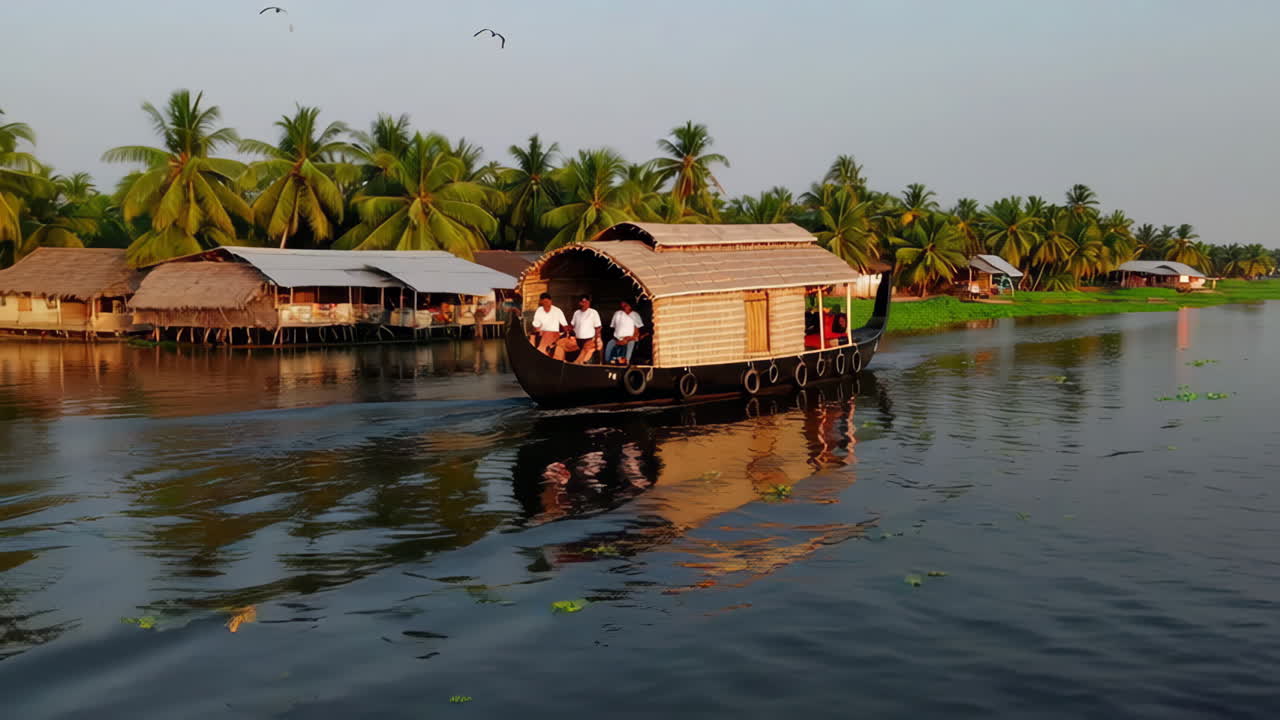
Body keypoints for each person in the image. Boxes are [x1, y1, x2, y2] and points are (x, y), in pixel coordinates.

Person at [557, 294, 602, 364]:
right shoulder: (576, 313)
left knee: (583, 359)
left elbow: (598, 327)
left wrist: (597, 338)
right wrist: (565, 329)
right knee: (560, 344)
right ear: (580, 303)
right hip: (577, 341)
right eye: (583, 302)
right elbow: (572, 326)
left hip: (589, 340)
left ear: (589, 303)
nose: (585, 304)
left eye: (586, 302)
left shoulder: (593, 313)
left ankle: (578, 364)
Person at [605, 300, 645, 364]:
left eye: (625, 305)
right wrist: (617, 339)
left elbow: (637, 332)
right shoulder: (617, 313)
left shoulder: (635, 315)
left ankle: (627, 361)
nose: (623, 307)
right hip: (617, 338)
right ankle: (609, 361)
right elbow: (613, 327)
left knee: (630, 345)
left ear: (630, 306)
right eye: (622, 306)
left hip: (630, 339)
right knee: (610, 344)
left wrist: (627, 339)